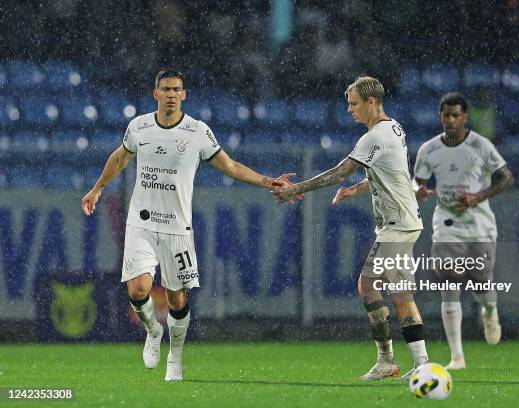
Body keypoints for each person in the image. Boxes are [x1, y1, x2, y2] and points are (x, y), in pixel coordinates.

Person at [81, 70, 296, 381]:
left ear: (184, 95)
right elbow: (120, 158)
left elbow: (230, 166)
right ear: (155, 94)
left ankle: (175, 357)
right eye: (165, 89)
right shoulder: (139, 126)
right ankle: (153, 331)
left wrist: (268, 182)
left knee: (177, 299)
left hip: (177, 228)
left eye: (176, 89)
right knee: (138, 289)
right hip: (142, 222)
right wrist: (97, 187)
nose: (171, 94)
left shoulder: (197, 132)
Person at [274, 75, 429, 380]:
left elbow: (338, 172)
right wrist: (354, 191)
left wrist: (295, 189)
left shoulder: (374, 136)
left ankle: (413, 363)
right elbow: (386, 173)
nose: (349, 110)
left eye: (354, 103)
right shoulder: (393, 127)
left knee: (388, 291)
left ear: (372, 102)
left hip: (397, 225)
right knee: (381, 288)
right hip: (401, 222)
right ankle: (396, 361)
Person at [413, 92, 514, 370]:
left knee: (481, 280)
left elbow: (507, 177)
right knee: (448, 279)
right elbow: (417, 180)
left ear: (465, 117)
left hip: (479, 223)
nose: (451, 120)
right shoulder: (429, 149)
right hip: (446, 222)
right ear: (440, 117)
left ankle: (489, 310)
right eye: (446, 115)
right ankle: (457, 357)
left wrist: (478, 197)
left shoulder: (481, 146)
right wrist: (418, 191)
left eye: (456, 115)